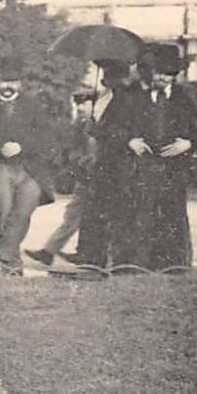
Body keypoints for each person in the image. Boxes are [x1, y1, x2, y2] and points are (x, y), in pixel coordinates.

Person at [0, 56, 56, 277]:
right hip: (2, 170)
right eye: (4, 81)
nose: (8, 86)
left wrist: (21, 147)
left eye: (13, 81)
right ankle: (9, 269)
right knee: (3, 217)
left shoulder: (34, 107)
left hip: (31, 171)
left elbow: (50, 139)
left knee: (21, 215)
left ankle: (3, 255)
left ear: (20, 84)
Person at [122, 44, 197, 270]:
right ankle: (139, 263)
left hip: (173, 167)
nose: (164, 78)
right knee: (141, 212)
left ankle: (174, 264)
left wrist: (188, 143)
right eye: (159, 73)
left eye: (169, 74)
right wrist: (130, 141)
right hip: (142, 165)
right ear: (149, 72)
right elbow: (117, 127)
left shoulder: (183, 98)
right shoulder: (135, 96)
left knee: (173, 213)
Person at [77, 60, 144, 269]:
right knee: (100, 211)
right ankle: (95, 259)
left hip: (120, 164)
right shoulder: (107, 98)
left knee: (115, 212)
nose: (107, 79)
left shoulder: (128, 98)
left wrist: (96, 128)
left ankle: (113, 261)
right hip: (105, 163)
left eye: (111, 75)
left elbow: (123, 130)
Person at [28, 87, 97, 267]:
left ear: (94, 105)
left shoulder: (97, 124)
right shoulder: (78, 125)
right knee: (74, 216)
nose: (80, 107)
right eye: (78, 103)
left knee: (82, 217)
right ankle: (52, 252)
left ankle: (54, 252)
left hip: (96, 178)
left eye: (85, 103)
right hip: (84, 179)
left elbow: (92, 152)